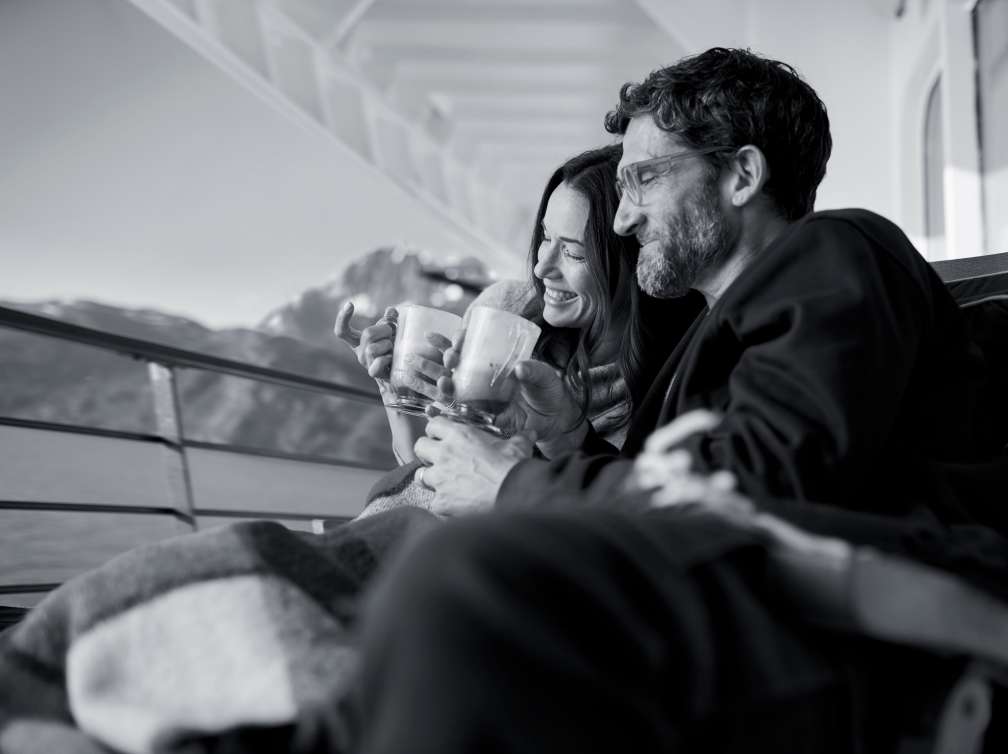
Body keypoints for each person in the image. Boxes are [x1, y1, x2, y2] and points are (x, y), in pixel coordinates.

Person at [333, 47, 1008, 753]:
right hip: (746, 600)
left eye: (643, 180)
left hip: (865, 622)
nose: (622, 220)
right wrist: (569, 441)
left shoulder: (836, 250)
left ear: (742, 175)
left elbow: (764, 491)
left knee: (453, 570)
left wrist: (515, 484)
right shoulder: (709, 338)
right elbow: (693, 492)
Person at [336, 145, 701, 516]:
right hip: (406, 523)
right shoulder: (504, 309)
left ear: (637, 263)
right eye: (545, 237)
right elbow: (421, 467)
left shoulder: (668, 394)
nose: (542, 267)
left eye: (574, 253)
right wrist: (394, 390)